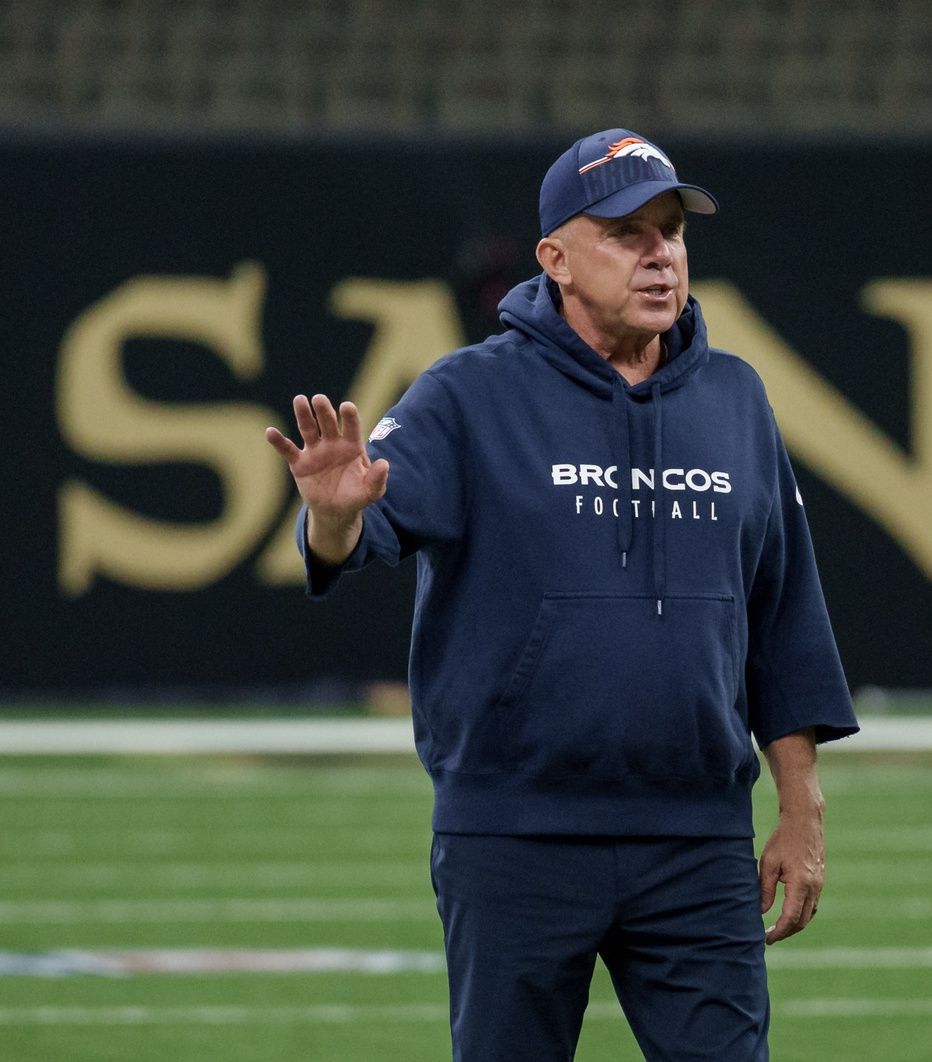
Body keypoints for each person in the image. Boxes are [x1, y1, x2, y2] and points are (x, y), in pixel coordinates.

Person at [265, 128, 858, 1062]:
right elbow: (353, 538)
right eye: (626, 232)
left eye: (671, 230)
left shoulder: (737, 398)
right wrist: (332, 514)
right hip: (516, 832)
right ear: (554, 259)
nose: (659, 253)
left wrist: (800, 805)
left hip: (696, 840)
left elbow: (781, 615)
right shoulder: (464, 395)